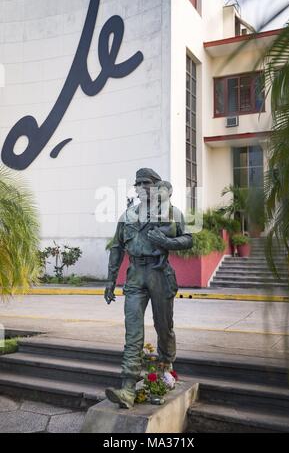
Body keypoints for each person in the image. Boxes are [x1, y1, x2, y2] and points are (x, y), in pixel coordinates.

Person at [104, 168, 193, 409]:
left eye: (146, 183)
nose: (141, 187)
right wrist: (111, 280)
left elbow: (188, 239)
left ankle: (166, 366)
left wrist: (167, 242)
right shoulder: (128, 215)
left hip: (159, 274)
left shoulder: (171, 212)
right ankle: (128, 387)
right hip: (135, 276)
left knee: (163, 326)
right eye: (138, 183)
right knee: (132, 331)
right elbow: (116, 247)